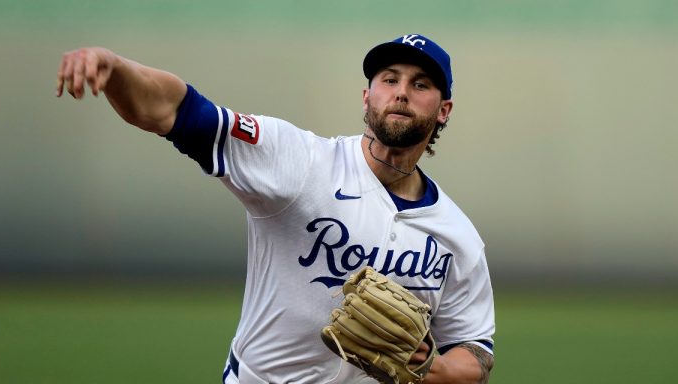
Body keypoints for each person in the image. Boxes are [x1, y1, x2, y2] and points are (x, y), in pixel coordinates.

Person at [56, 33, 496, 384]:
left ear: (443, 110)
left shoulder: (456, 236)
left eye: (420, 84)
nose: (401, 92)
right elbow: (173, 108)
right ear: (367, 97)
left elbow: (475, 352)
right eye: (389, 78)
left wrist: (429, 368)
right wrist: (115, 68)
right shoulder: (300, 161)